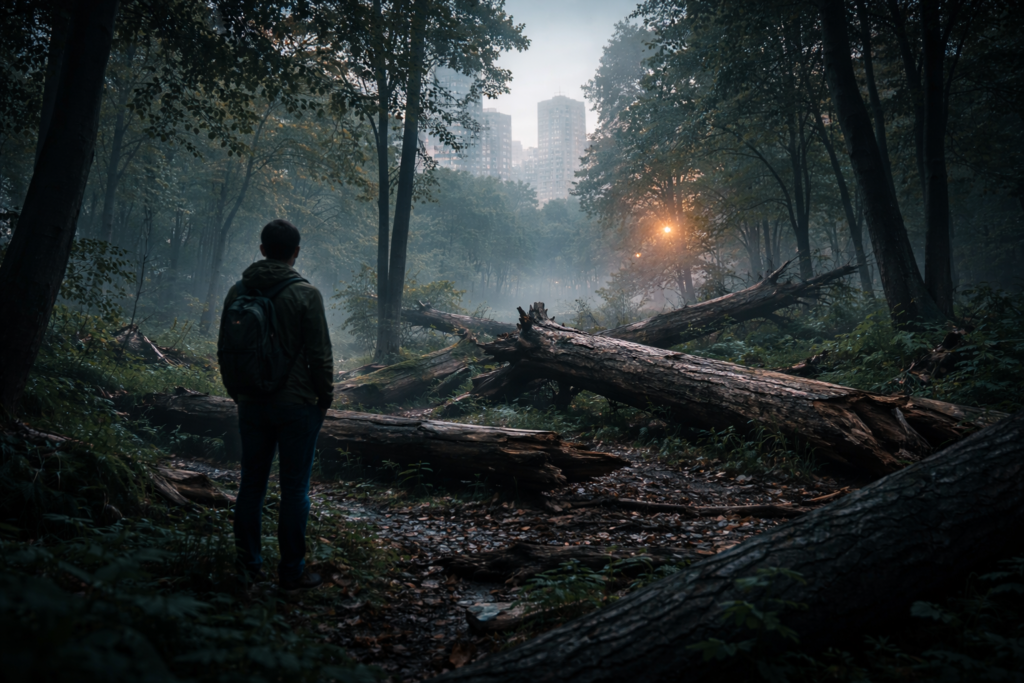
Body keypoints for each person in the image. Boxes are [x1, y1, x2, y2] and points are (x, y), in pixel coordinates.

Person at [217, 219, 333, 592]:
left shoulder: (238, 290)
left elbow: (226, 349)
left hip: (250, 400)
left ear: (263, 249)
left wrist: (239, 393)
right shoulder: (306, 294)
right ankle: (292, 572)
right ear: (296, 253)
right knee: (294, 489)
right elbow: (320, 354)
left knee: (251, 485)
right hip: (297, 404)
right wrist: (324, 396)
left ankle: (247, 568)